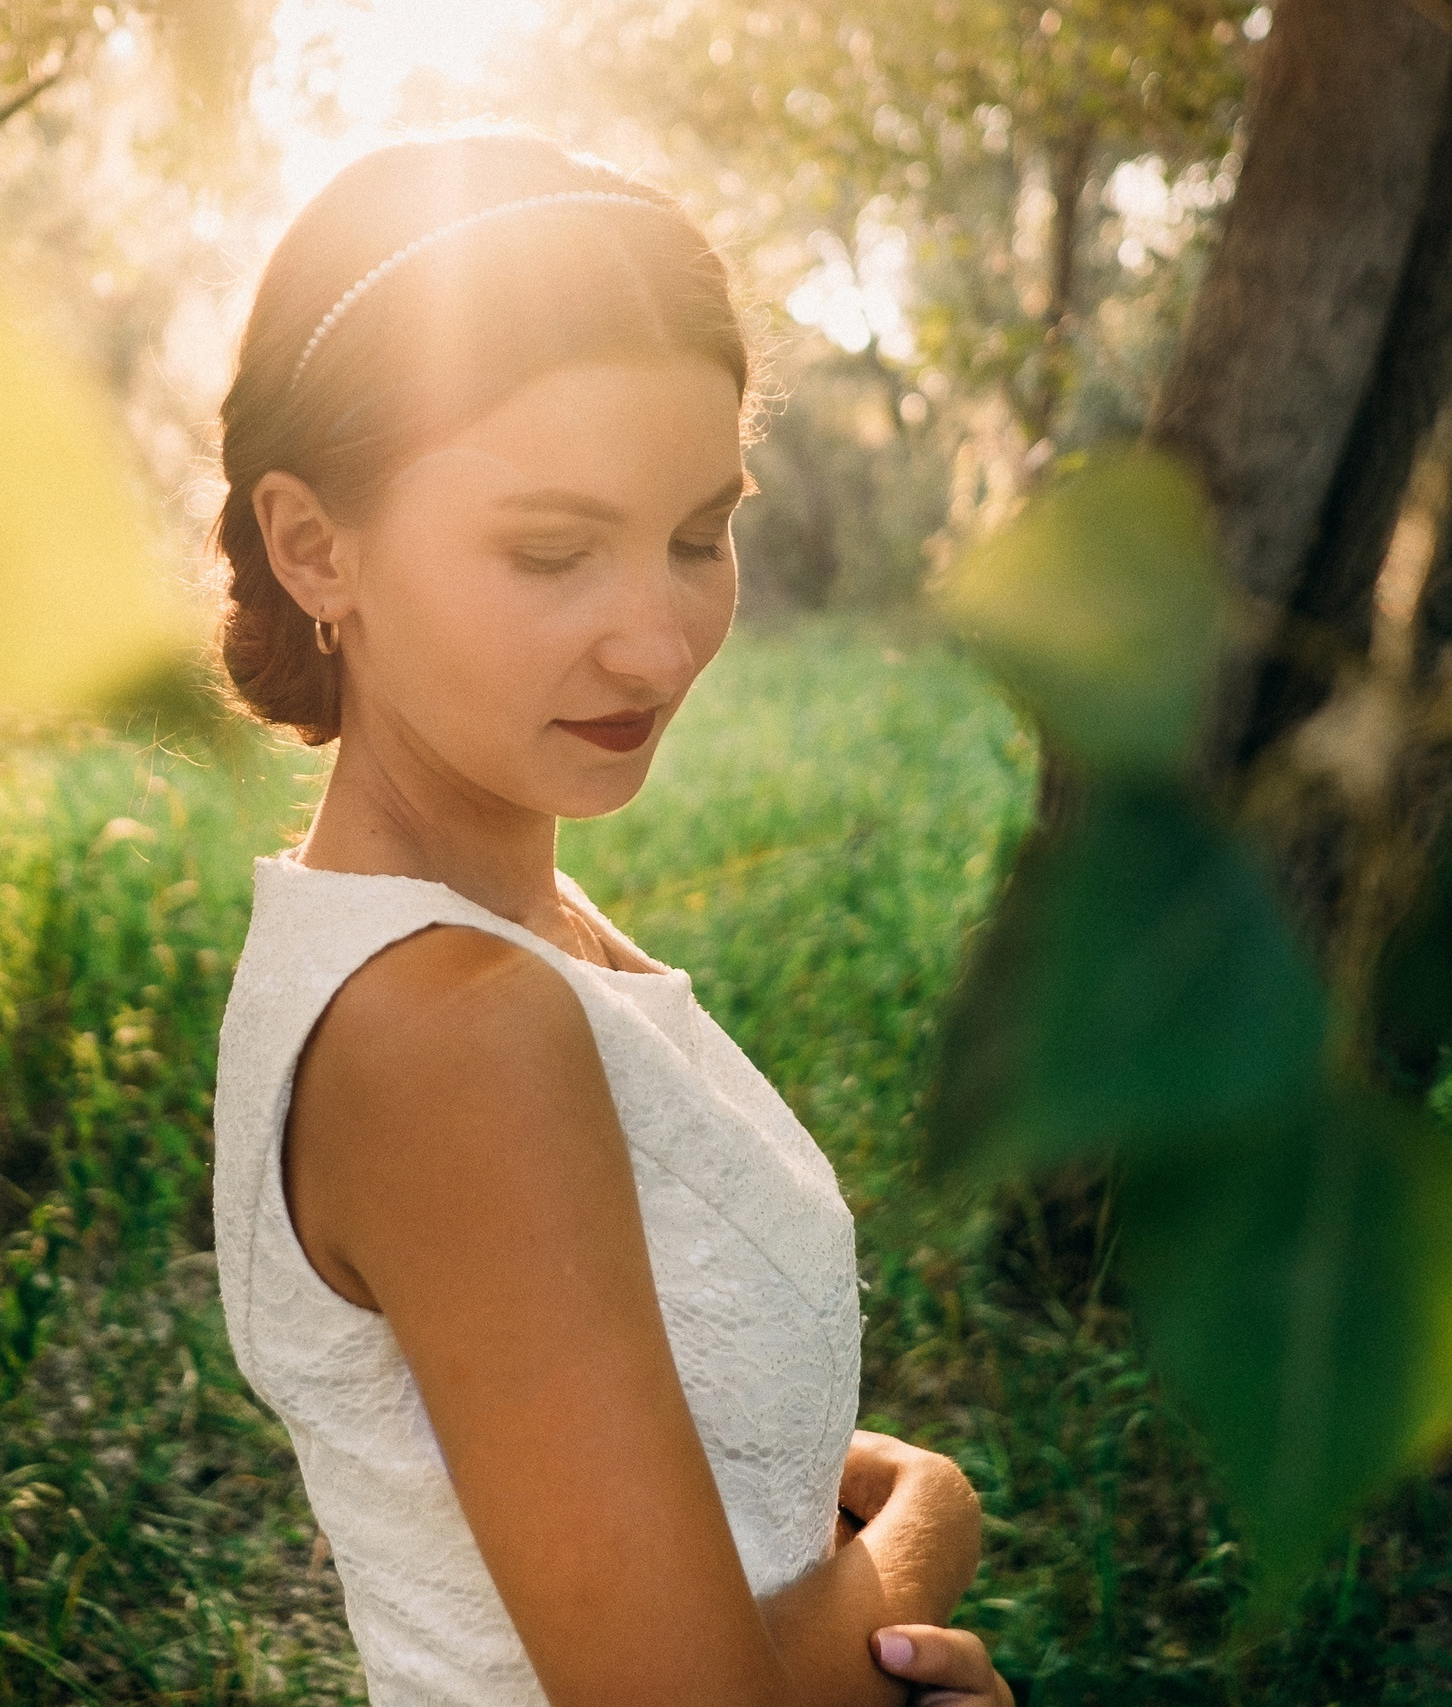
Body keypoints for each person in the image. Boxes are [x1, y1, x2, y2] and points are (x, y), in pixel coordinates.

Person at [208, 132, 1011, 1707]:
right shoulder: (448, 1031)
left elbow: (635, 1452)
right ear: (315, 547)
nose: (658, 641)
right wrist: (929, 1529)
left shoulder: (509, 931)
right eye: (553, 551)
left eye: (699, 535)